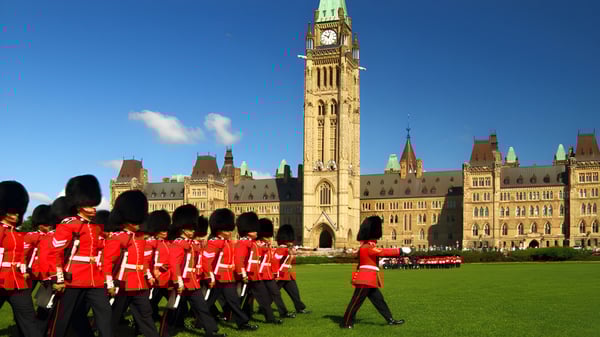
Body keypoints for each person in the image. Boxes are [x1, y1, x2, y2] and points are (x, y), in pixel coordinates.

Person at [46, 174, 113, 337]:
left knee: (105, 312)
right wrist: (58, 278)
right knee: (63, 317)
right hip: (73, 278)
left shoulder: (95, 228)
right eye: (89, 205)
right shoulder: (68, 225)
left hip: (94, 279)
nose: (93, 209)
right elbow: (55, 252)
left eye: (93, 205)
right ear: (78, 205)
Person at [160, 204, 224, 337]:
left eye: (192, 228)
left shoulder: (193, 244)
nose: (191, 231)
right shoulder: (178, 244)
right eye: (188, 229)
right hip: (181, 281)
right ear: (181, 228)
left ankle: (211, 331)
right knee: (174, 308)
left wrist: (208, 275)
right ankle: (164, 333)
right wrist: (178, 280)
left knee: (202, 307)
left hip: (193, 282)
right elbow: (174, 263)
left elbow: (202, 261)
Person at [105, 190, 159, 337]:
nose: (137, 224)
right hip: (122, 283)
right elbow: (108, 261)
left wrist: (148, 275)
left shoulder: (139, 238)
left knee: (145, 314)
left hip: (139, 283)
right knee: (114, 315)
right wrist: (109, 283)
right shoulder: (118, 238)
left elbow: (143, 261)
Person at [340, 216, 405, 329]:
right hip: (365, 279)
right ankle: (346, 323)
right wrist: (399, 250)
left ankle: (390, 319)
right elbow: (382, 251)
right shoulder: (367, 247)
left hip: (370, 279)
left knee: (379, 301)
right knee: (356, 302)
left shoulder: (367, 246)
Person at [203, 208, 258, 331]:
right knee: (207, 303)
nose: (229, 232)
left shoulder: (228, 242)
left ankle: (242, 323)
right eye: (226, 230)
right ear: (219, 230)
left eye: (229, 229)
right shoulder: (214, 243)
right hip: (217, 277)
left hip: (228, 277)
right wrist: (209, 276)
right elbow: (206, 261)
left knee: (233, 301)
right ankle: (199, 322)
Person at [0, 180, 42, 337]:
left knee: (29, 321)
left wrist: (23, 271)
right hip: (1, 280)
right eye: (13, 211)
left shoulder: (17, 234)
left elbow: (20, 257)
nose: (17, 215)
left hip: (18, 282)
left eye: (18, 211)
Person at [236, 212, 282, 324]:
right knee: (240, 298)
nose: (257, 232)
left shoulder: (253, 243)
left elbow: (264, 252)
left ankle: (270, 318)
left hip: (255, 275)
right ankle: (232, 316)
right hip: (247, 275)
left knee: (263, 298)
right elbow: (239, 260)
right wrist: (243, 274)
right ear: (248, 231)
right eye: (254, 230)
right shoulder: (243, 243)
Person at [256, 218, 295, 319]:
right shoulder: (257, 245)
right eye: (267, 236)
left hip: (268, 274)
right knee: (252, 296)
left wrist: (276, 274)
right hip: (258, 274)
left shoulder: (267, 246)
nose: (269, 238)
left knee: (276, 293)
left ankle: (283, 312)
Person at [273, 226, 310, 314]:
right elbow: (277, 262)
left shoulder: (288, 249)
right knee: (273, 293)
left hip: (289, 276)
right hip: (281, 276)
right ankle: (264, 307)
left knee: (295, 293)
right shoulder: (280, 250)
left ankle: (300, 308)